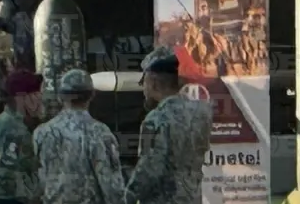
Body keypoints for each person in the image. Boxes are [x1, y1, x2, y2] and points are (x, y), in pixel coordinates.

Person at [124, 47, 212, 204]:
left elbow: (150, 167)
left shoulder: (155, 119)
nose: (143, 89)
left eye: (144, 82)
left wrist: (128, 196)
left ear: (154, 83)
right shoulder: (201, 113)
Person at [33, 68, 124, 204]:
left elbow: (36, 180)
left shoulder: (41, 132)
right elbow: (110, 184)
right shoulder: (100, 132)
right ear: (91, 96)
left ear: (60, 97)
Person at [0, 70, 43, 204]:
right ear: (21, 97)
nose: (39, 97)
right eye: (35, 93)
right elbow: (8, 177)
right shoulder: (13, 129)